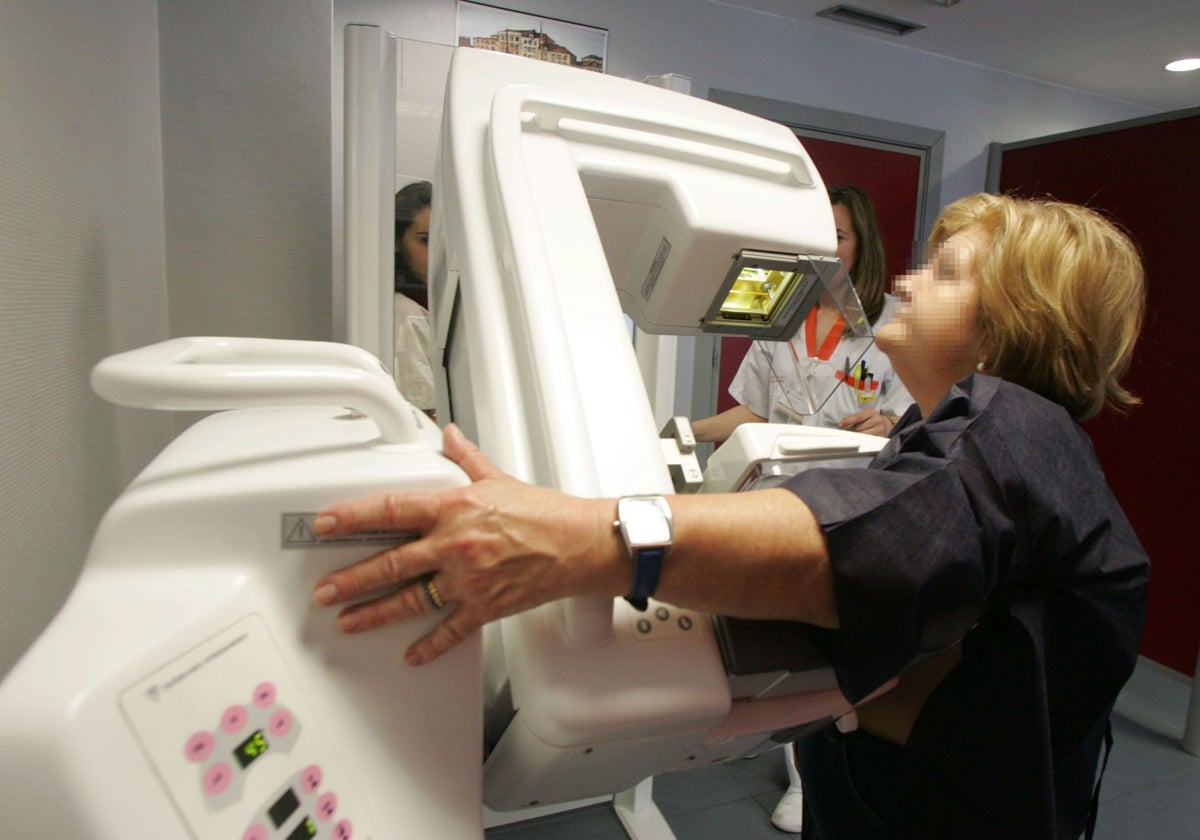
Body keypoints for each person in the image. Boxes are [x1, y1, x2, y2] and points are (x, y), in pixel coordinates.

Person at [311, 193, 1148, 839]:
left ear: (1012, 324)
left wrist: (574, 536)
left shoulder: (1013, 430)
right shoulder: (963, 436)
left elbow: (861, 547)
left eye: (947, 272)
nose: (904, 282)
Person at [691, 184, 913, 443]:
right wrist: (680, 434)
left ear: (862, 246)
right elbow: (758, 413)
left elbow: (914, 418)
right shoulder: (780, 312)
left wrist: (886, 425)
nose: (824, 249)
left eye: (838, 238)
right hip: (778, 478)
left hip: (848, 478)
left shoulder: (897, 321)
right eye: (817, 237)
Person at [393, 180, 435, 415]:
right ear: (397, 242)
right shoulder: (409, 312)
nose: (437, 252)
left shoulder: (438, 302)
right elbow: (424, 414)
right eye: (424, 240)